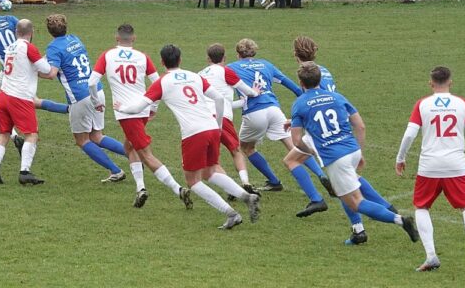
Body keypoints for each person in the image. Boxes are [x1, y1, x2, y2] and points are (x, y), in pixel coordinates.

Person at [115, 45, 260, 229]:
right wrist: (219, 126)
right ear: (180, 60)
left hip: (194, 133)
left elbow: (137, 108)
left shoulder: (162, 82)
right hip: (211, 127)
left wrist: (121, 107)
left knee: (193, 181)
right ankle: (246, 197)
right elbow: (218, 99)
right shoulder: (194, 76)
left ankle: (232, 214)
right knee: (209, 171)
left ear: (162, 62)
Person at [290, 62, 420, 245]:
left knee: (355, 201)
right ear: (320, 78)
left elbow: (296, 140)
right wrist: (360, 151)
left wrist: (313, 150)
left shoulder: (299, 104)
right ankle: (358, 232)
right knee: (343, 189)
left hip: (335, 158)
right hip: (352, 150)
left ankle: (400, 220)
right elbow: (360, 125)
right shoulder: (337, 96)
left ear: (301, 83)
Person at [396, 66, 465, 273]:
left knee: (421, 207)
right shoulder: (462, 104)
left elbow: (410, 134)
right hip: (456, 166)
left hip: (428, 167)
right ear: (450, 82)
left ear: (430, 83)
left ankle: (431, 256)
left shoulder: (422, 104)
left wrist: (401, 157)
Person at [227, 38, 335, 218]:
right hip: (275, 109)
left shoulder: (231, 67)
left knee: (246, 148)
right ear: (255, 52)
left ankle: (274, 181)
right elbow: (292, 85)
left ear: (238, 54)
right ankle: (320, 174)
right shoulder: (266, 64)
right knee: (295, 147)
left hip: (254, 113)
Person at [88, 24, 192, 209]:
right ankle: (140, 188)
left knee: (146, 154)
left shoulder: (108, 55)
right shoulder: (142, 57)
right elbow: (158, 82)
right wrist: (153, 107)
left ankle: (178, 189)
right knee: (129, 147)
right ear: (133, 38)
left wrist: (96, 101)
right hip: (142, 110)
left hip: (127, 113)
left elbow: (92, 82)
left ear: (116, 38)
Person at [42, 14, 128, 182]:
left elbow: (52, 73)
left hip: (80, 97)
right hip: (96, 90)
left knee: (82, 140)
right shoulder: (75, 39)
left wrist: (35, 72)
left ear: (49, 31)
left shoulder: (53, 47)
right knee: (97, 136)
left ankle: (116, 170)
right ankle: (134, 155)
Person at [0, 0, 68, 137]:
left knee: (31, 101)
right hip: (11, 63)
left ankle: (68, 109)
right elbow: (26, 30)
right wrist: (27, 48)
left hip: (12, 64)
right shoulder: (10, 19)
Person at [0, 19, 52, 185]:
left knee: (3, 135)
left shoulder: (10, 47)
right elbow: (45, 69)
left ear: (16, 32)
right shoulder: (29, 48)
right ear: (32, 33)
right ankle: (25, 171)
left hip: (3, 96)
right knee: (31, 134)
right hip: (20, 97)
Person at [198, 43, 261, 193]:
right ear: (224, 57)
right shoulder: (225, 71)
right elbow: (247, 90)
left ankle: (229, 188)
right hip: (222, 117)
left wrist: (240, 103)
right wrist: (255, 92)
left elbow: (214, 99)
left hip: (204, 118)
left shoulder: (199, 74)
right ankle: (245, 182)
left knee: (211, 159)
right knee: (236, 151)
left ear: (208, 58)